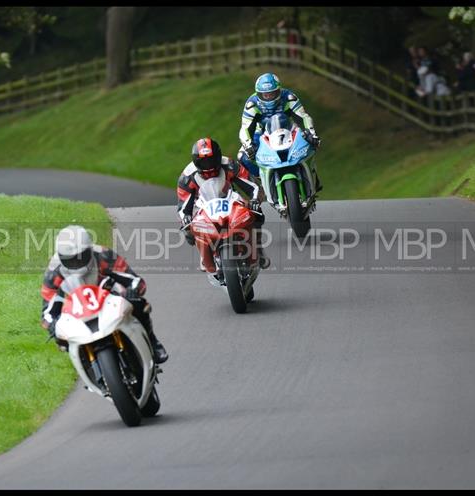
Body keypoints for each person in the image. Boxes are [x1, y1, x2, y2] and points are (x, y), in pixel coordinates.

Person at [40, 225, 168, 364]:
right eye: (70, 259)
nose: (77, 262)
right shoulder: (54, 270)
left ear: (89, 249)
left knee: (138, 303)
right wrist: (52, 324)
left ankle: (153, 342)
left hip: (108, 298)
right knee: (62, 340)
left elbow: (135, 280)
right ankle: (87, 365)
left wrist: (132, 290)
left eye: (81, 257)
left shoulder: (103, 254)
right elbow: (47, 308)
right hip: (77, 309)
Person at [177, 137, 270, 283]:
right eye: (203, 162)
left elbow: (252, 185)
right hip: (203, 205)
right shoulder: (187, 177)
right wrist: (186, 217)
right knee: (188, 229)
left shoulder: (230, 165)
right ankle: (204, 254)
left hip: (229, 199)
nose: (208, 165)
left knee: (257, 214)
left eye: (211, 160)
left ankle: (257, 247)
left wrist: (254, 200)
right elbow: (183, 204)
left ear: (218, 156)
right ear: (196, 162)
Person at [237, 72, 322, 192]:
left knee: (311, 144)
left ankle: (312, 176)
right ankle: (263, 178)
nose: (269, 97)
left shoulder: (288, 97)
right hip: (261, 132)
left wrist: (312, 133)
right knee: (243, 157)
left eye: (272, 94)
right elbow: (245, 127)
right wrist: (248, 144)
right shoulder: (252, 103)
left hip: (288, 128)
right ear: (258, 94)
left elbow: (304, 117)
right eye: (265, 95)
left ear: (279, 90)